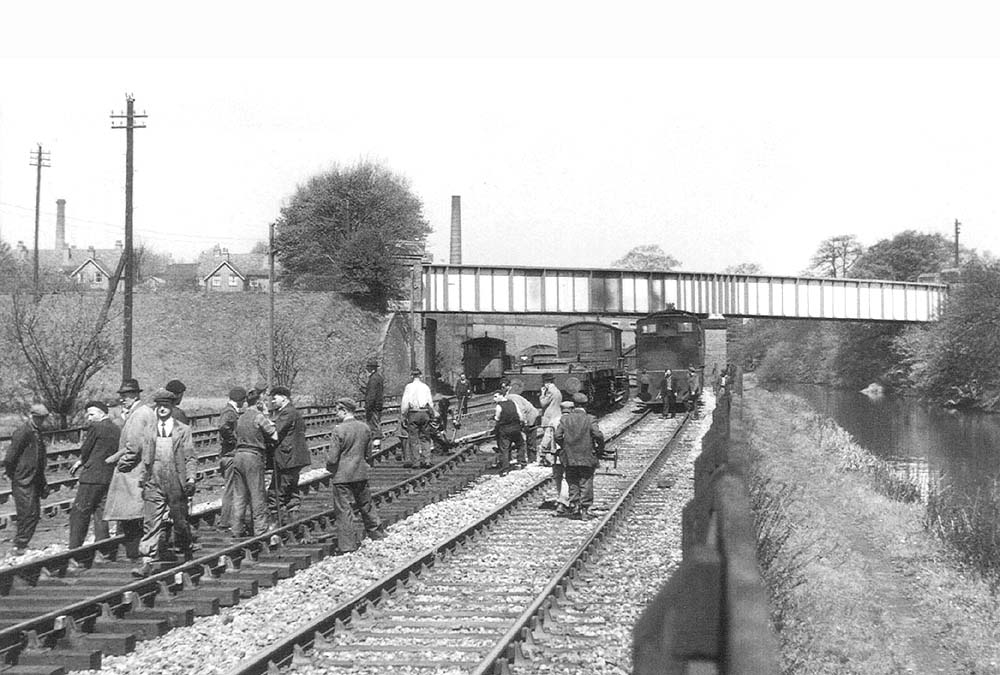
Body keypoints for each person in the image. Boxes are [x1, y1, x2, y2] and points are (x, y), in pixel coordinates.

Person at [128, 389, 197, 577]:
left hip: (176, 479)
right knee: (151, 522)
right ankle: (147, 561)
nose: (162, 410)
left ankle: (185, 550)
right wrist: (143, 478)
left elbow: (190, 457)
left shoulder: (183, 430)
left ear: (172, 407)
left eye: (166, 406)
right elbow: (145, 457)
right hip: (153, 479)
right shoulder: (149, 430)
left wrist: (191, 478)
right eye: (159, 406)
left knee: (180, 521)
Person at [326, 397, 386, 553]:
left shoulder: (338, 430)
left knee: (344, 509)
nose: (335, 413)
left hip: (342, 476)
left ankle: (347, 545)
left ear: (344, 410)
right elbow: (368, 453)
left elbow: (332, 458)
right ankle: (377, 533)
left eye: (337, 409)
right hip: (360, 472)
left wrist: (329, 467)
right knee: (366, 504)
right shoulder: (364, 427)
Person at [104, 379, 156, 561]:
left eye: (125, 396)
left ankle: (133, 553)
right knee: (138, 513)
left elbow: (134, 445)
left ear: (135, 395)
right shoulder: (144, 411)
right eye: (122, 396)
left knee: (131, 514)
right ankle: (139, 550)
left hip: (133, 472)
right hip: (141, 469)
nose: (122, 400)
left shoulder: (139, 414)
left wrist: (123, 464)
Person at [68, 401, 121, 549]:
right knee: (101, 513)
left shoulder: (96, 427)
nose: (89, 418)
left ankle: (74, 548)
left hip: (91, 477)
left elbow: (85, 450)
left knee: (80, 512)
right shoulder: (116, 428)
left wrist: (81, 461)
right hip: (108, 476)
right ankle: (103, 549)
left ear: (102, 413)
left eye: (92, 414)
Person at [2, 404, 51, 554]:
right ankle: (20, 544)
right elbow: (11, 457)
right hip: (23, 480)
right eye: (38, 418)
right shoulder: (23, 432)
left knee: (34, 513)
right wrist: (13, 474)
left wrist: (42, 481)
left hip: (34, 479)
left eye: (43, 418)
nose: (41, 421)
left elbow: (39, 456)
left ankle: (23, 543)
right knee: (27, 513)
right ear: (32, 416)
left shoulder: (37, 432)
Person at [230, 386, 277, 537]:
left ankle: (236, 529)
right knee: (257, 493)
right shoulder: (259, 416)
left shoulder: (240, 417)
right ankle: (260, 530)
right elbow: (274, 435)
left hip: (238, 456)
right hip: (253, 456)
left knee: (239, 495)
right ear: (258, 403)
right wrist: (266, 414)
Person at [554, 392, 605, 520]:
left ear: (573, 406)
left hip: (569, 456)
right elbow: (597, 435)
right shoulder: (590, 418)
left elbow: (557, 436)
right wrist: (600, 448)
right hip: (586, 455)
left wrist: (565, 446)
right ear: (585, 405)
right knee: (586, 481)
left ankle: (575, 505)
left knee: (572, 481)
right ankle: (584, 510)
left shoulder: (565, 419)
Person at [269, 385, 310, 525]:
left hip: (287, 458)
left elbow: (274, 432)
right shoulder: (294, 412)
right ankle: (294, 522)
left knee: (276, 492)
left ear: (284, 398)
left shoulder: (287, 413)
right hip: (295, 458)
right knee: (292, 490)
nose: (272, 401)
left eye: (275, 398)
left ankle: (277, 525)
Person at [216, 387, 245, 533]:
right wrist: (234, 440)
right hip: (230, 456)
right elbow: (223, 427)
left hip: (227, 455)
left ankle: (228, 519)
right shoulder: (230, 412)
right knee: (230, 489)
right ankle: (225, 521)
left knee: (231, 489)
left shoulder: (229, 411)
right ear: (240, 400)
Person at [399, 368, 434, 468]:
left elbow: (405, 403)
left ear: (411, 376)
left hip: (413, 413)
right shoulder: (425, 387)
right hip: (425, 413)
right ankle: (427, 460)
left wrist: (403, 415)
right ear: (421, 376)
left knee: (413, 438)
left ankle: (416, 462)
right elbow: (430, 403)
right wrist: (431, 415)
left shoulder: (409, 387)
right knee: (425, 437)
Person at [492, 389, 524, 475]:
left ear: (501, 396)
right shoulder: (513, 403)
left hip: (505, 430)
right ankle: (521, 462)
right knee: (520, 444)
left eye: (496, 396)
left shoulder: (499, 406)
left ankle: (505, 469)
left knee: (504, 449)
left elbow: (497, 418)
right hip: (516, 428)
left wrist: (494, 418)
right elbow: (520, 415)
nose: (494, 399)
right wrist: (521, 424)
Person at [505, 389, 541, 466]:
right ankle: (528, 458)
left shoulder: (511, 399)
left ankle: (532, 459)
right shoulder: (507, 399)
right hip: (526, 416)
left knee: (530, 437)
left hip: (530, 416)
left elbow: (521, 410)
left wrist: (523, 422)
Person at [537, 373, 562, 466]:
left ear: (546, 382)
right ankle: (551, 459)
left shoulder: (550, 391)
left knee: (548, 438)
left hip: (550, 417)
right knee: (552, 439)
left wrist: (542, 394)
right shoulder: (557, 390)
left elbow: (543, 403)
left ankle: (547, 459)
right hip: (557, 415)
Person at [363, 360, 384, 454]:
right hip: (377, 406)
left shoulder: (373, 379)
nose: (366, 371)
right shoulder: (378, 377)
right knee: (376, 424)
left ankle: (376, 447)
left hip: (373, 407)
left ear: (371, 369)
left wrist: (368, 406)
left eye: (367, 369)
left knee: (374, 426)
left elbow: (372, 394)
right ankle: (376, 446)